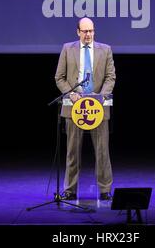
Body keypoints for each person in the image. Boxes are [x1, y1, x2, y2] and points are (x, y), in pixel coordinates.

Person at [55, 17, 116, 201]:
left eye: (91, 31)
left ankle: (105, 190)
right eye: (85, 31)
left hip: (98, 108)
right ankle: (70, 190)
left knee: (102, 151)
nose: (88, 34)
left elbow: (110, 77)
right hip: (75, 108)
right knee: (73, 152)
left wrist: (101, 97)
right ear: (78, 32)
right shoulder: (68, 49)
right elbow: (60, 77)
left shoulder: (105, 50)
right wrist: (70, 93)